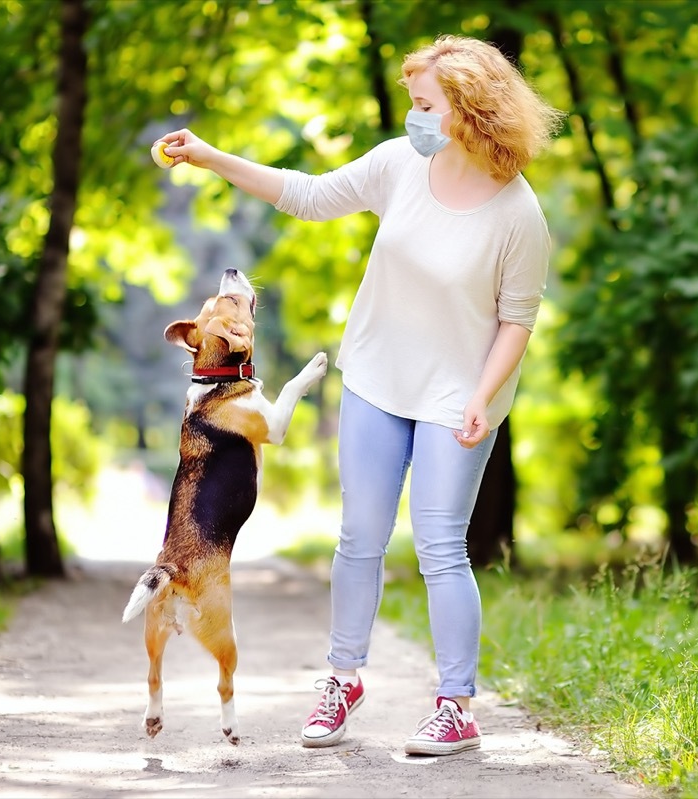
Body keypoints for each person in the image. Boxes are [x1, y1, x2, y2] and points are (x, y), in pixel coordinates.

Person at [153, 33, 563, 757]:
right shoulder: (402, 163)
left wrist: (484, 395)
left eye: (426, 104)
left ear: (469, 108)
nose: (415, 116)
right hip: (376, 375)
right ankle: (342, 680)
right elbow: (308, 196)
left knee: (441, 547)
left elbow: (516, 320)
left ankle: (455, 704)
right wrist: (210, 156)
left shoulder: (517, 213)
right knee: (358, 538)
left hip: (458, 396)